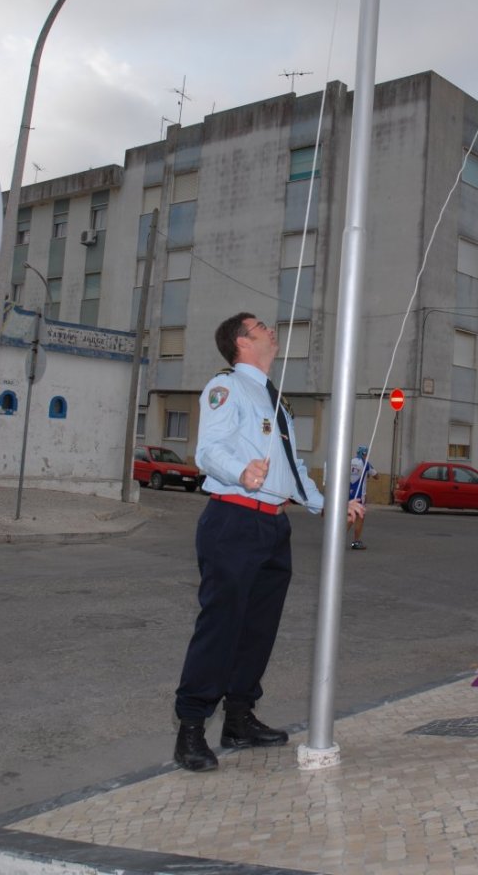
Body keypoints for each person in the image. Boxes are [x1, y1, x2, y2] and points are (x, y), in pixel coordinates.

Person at [174, 313, 364, 771]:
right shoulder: (226, 387)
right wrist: (241, 472)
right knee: (221, 626)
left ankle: (239, 719)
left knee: (258, 629)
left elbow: (290, 468)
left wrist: (329, 505)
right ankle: (191, 729)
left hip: (273, 526)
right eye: (260, 326)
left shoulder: (274, 397)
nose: (271, 330)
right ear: (242, 342)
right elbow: (207, 451)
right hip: (234, 520)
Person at [347, 446, 379, 550]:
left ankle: (335, 538)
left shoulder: (349, 461)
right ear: (365, 454)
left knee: (349, 516)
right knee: (357, 518)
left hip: (347, 493)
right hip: (359, 495)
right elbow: (377, 476)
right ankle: (355, 542)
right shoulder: (365, 464)